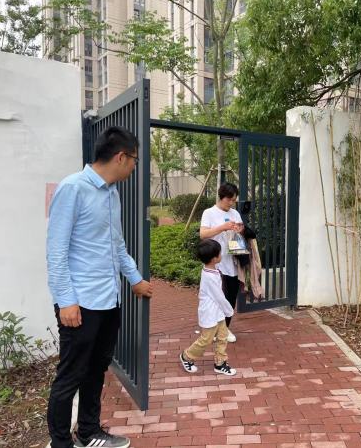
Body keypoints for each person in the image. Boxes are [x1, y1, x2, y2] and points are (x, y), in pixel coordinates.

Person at [46, 126, 153, 448]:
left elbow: (116, 245)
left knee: (96, 370)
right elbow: (56, 252)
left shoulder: (111, 194)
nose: (134, 167)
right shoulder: (72, 189)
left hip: (109, 300)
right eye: (134, 160)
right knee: (71, 375)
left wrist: (135, 279)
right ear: (121, 157)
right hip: (80, 303)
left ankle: (89, 432)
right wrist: (66, 301)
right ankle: (61, 443)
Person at [179, 239, 236, 376]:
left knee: (222, 337)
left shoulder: (212, 269)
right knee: (206, 339)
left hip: (217, 312)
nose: (221, 255)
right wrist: (229, 310)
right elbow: (219, 297)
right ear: (214, 258)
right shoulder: (209, 276)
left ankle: (220, 363)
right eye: (220, 253)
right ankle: (187, 356)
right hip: (210, 312)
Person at [199, 182, 243, 342]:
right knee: (216, 297)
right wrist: (222, 227)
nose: (231, 203)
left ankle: (225, 328)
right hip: (215, 263)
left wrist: (239, 230)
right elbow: (203, 235)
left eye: (233, 200)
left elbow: (241, 233)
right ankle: (214, 329)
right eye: (229, 200)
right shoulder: (209, 213)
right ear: (221, 197)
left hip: (233, 260)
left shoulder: (235, 213)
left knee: (231, 296)